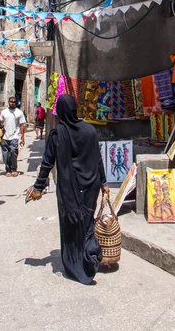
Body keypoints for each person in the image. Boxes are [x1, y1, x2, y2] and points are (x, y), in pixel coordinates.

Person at [26, 94, 109, 284]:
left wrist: (39, 187)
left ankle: (76, 265)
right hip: (91, 186)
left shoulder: (57, 133)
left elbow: (47, 163)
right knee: (86, 223)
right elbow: (98, 159)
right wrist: (104, 183)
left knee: (71, 225)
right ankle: (89, 255)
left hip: (68, 190)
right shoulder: (90, 130)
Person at [0, 97, 26, 177]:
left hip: (14, 136)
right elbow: (1, 123)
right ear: (8, 102)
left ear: (16, 103)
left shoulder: (19, 113)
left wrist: (22, 138)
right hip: (4, 136)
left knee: (13, 152)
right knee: (5, 154)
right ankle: (8, 170)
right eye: (11, 102)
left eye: (14, 102)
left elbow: (21, 125)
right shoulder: (4, 112)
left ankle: (14, 169)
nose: (12, 103)